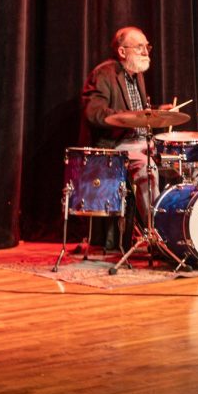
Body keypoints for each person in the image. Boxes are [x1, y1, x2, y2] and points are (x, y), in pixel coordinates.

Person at [80, 26, 160, 250]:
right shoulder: (104, 74)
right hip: (118, 145)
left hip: (143, 141)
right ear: (122, 51)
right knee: (147, 169)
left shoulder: (137, 75)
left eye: (147, 47)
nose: (146, 51)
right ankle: (159, 236)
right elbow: (93, 112)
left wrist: (158, 112)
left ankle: (188, 232)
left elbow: (139, 111)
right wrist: (129, 118)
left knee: (190, 160)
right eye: (140, 47)